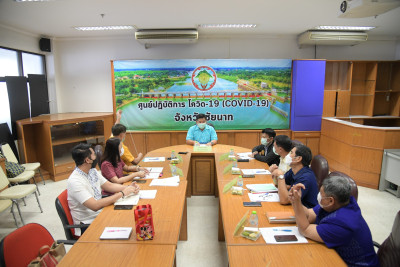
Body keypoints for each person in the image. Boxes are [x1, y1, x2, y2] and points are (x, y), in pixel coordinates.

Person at [289, 176, 379, 267]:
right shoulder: (339, 203)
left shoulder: (342, 224)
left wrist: (296, 201)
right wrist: (296, 200)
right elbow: (308, 215)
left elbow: (305, 229)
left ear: (331, 200)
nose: (319, 196)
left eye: (321, 193)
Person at [67, 143, 140, 236]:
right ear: (87, 160)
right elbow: (95, 206)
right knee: (126, 225)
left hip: (101, 213)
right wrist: (122, 193)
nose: (96, 157)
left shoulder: (92, 171)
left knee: (129, 217)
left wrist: (129, 187)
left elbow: (109, 185)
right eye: (94, 155)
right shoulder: (75, 181)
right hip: (88, 224)